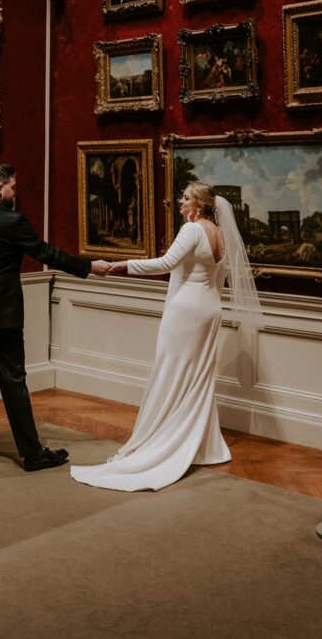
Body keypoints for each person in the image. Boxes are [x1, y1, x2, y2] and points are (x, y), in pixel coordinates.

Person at [71, 181, 261, 491]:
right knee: (198, 377)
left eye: (185, 199)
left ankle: (159, 439)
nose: (180, 203)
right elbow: (218, 276)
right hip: (210, 307)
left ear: (199, 204)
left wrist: (123, 266)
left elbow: (165, 264)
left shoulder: (193, 229)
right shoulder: (221, 233)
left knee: (170, 373)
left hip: (186, 310)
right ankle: (202, 444)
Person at [0, 162, 111, 474]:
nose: (14, 192)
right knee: (13, 382)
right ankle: (32, 454)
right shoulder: (11, 220)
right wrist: (89, 266)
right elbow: (46, 253)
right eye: (13, 187)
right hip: (1, 316)